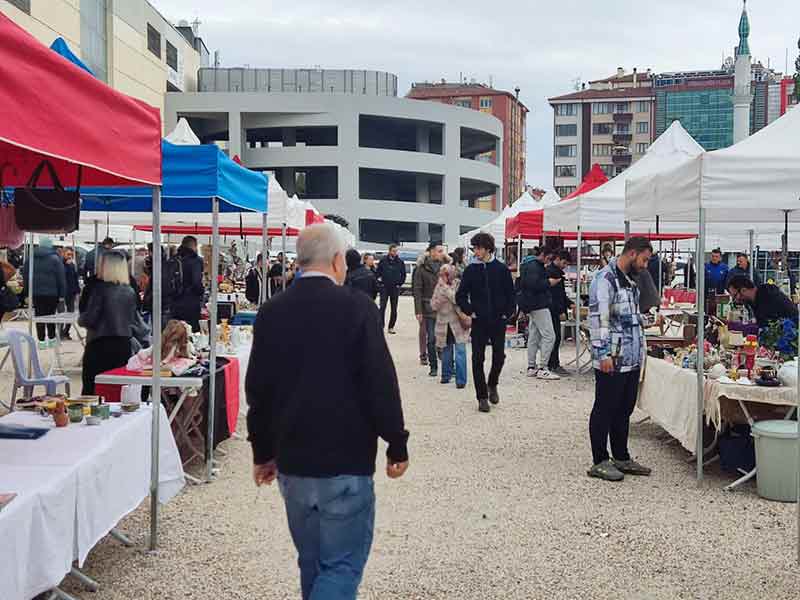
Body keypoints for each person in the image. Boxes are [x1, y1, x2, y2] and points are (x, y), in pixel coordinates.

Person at [246, 223, 409, 600]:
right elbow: (380, 382)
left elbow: (259, 389)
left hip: (294, 458)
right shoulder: (358, 309)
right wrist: (396, 442)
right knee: (340, 565)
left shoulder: (272, 311)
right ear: (338, 261)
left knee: (312, 560)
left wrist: (263, 451)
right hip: (346, 458)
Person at [587, 236, 653, 482]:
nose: (646, 265)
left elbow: (626, 314)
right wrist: (602, 353)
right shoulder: (604, 279)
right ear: (633, 253)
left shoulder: (629, 280)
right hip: (612, 357)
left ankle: (621, 456)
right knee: (605, 407)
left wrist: (645, 321)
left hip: (631, 356)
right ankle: (599, 460)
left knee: (624, 408)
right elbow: (598, 318)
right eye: (644, 260)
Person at [456, 232, 515, 413]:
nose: (475, 251)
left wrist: (508, 313)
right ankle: (482, 397)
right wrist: (470, 311)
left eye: (478, 248)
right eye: (474, 248)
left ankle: (492, 384)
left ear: (487, 248)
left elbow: (511, 294)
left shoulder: (501, 269)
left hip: (498, 320)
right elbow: (460, 295)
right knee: (477, 359)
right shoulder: (471, 270)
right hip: (479, 321)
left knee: (499, 356)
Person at [79, 251, 148, 394]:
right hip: (122, 346)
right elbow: (136, 322)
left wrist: (81, 318)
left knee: (92, 390)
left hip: (99, 345)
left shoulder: (99, 289)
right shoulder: (129, 291)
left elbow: (90, 319)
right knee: (117, 391)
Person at [518, 246, 560, 381]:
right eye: (549, 257)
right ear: (543, 254)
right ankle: (543, 368)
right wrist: (549, 282)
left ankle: (531, 366)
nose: (550, 260)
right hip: (539, 304)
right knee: (550, 336)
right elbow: (534, 285)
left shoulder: (527, 264)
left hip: (531, 305)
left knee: (534, 336)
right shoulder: (534, 266)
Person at [430, 263, 469, 388]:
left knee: (460, 351)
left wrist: (445, 290)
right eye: (442, 274)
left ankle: (461, 380)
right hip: (444, 324)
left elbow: (457, 299)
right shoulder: (438, 286)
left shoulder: (457, 284)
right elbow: (433, 305)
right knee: (446, 351)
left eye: (445, 274)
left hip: (457, 323)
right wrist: (439, 300)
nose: (443, 276)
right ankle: (446, 376)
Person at [23, 237, 65, 348]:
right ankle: (51, 339)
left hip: (36, 292)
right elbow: (61, 278)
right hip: (52, 293)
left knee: (39, 315)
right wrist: (62, 294)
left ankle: (41, 341)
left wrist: (27, 293)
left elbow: (26, 277)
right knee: (51, 315)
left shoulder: (30, 258)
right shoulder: (55, 259)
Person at [413, 242, 444, 377]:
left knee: (444, 339)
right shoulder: (421, 269)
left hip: (444, 308)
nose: (441, 253)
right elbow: (417, 290)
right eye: (439, 250)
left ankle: (449, 366)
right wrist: (418, 311)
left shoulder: (445, 267)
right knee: (431, 338)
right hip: (428, 308)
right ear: (431, 252)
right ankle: (433, 366)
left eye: (442, 251)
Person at [727, 275, 798, 328]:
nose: (736, 300)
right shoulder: (754, 299)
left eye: (735, 295)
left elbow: (769, 329)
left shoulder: (768, 297)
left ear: (743, 290)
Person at [546, 250, 574, 376]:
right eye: (564, 263)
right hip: (552, 310)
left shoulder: (555, 272)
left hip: (553, 308)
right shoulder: (552, 272)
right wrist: (561, 310)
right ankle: (553, 364)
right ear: (558, 259)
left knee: (555, 337)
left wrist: (569, 303)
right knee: (554, 337)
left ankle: (552, 363)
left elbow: (561, 295)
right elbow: (555, 295)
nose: (565, 266)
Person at [171, 236, 205, 332]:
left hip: (174, 302)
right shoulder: (196, 260)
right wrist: (201, 292)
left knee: (176, 333)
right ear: (194, 246)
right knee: (191, 332)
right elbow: (196, 282)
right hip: (190, 303)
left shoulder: (174, 259)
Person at [376, 244, 406, 334]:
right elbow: (378, 273)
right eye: (393, 251)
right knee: (382, 307)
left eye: (396, 251)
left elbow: (403, 274)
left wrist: (399, 283)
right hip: (384, 287)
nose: (395, 253)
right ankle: (381, 326)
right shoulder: (383, 261)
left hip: (395, 288)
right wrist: (380, 283)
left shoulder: (400, 262)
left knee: (394, 308)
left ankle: (391, 327)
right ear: (389, 251)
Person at [61, 248, 80, 340]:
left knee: (71, 312)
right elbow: (60, 276)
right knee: (60, 313)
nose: (70, 256)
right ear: (63, 254)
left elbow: (75, 278)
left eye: (71, 255)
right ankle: (60, 332)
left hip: (71, 291)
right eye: (68, 254)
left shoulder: (72, 265)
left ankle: (66, 332)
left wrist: (77, 291)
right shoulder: (60, 264)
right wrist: (67, 266)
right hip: (63, 292)